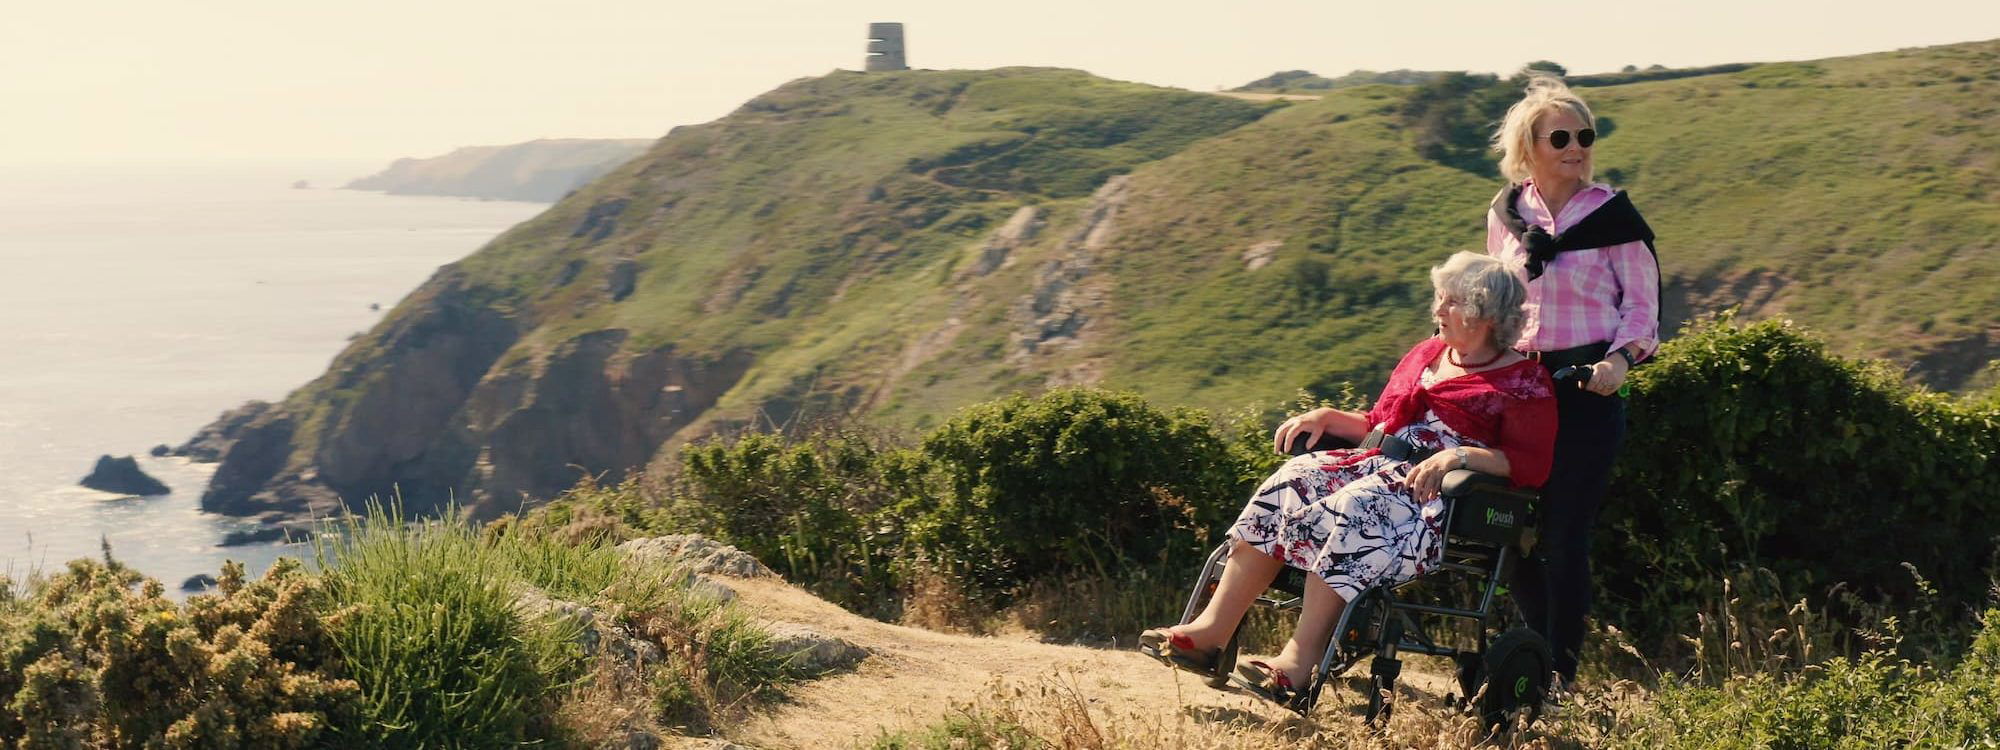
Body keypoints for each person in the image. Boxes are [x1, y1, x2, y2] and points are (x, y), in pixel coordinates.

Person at [1140, 252, 1558, 701]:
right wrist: (1325, 416)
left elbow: (1529, 463)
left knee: (1355, 506)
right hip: (1378, 465)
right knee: (1290, 480)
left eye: (1451, 302)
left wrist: (1458, 457)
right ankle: (1210, 633)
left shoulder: (1525, 382)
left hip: (1433, 498)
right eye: (1440, 298)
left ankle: (1298, 665)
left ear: (1485, 313)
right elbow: (1380, 421)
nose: (1438, 311)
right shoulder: (1427, 354)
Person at [1484, 76, 1660, 690]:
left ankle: (1558, 675)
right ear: (1527, 146)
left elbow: (1642, 308)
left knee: (1563, 535)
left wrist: (1619, 362)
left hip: (1587, 388)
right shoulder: (1507, 213)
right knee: (1507, 534)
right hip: (1516, 389)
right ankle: (1527, 657)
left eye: (1584, 135)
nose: (1575, 146)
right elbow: (1497, 300)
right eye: (1559, 136)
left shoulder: (1614, 217)